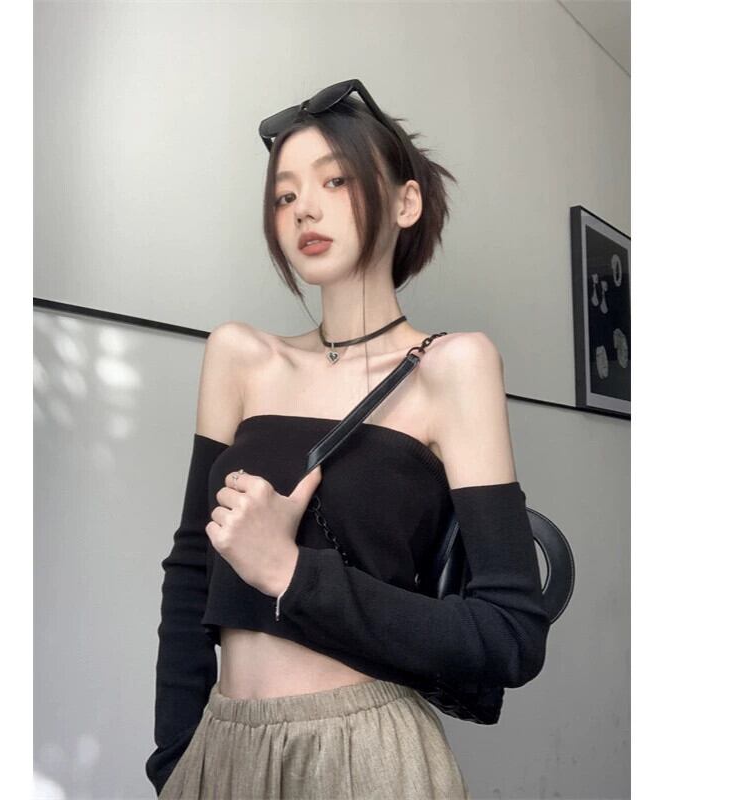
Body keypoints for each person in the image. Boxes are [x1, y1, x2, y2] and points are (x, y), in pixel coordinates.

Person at [146, 80, 549, 799]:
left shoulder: (454, 368)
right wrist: (175, 763)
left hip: (367, 759)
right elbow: (190, 568)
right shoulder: (240, 357)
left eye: (335, 180)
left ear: (405, 202)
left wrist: (290, 572)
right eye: (284, 194)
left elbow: (510, 633)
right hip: (222, 750)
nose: (304, 207)